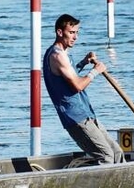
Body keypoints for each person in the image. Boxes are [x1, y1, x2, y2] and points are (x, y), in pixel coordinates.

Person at [43, 14, 124, 165]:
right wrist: (95, 71)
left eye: (77, 32)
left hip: (87, 113)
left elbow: (68, 76)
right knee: (106, 156)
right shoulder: (57, 56)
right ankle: (91, 180)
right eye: (71, 33)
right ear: (60, 32)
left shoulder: (63, 54)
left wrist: (83, 63)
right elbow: (78, 86)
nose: (75, 37)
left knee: (117, 153)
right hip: (75, 117)